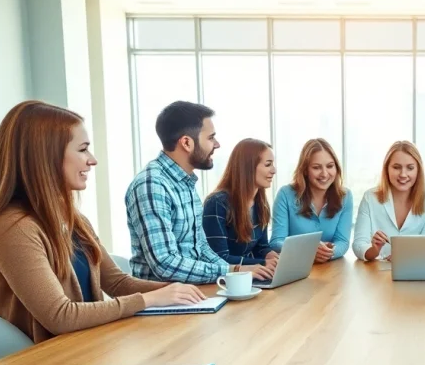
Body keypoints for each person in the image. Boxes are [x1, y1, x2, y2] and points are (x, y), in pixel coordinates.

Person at [0, 101, 206, 343]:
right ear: (46, 156)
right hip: (48, 364)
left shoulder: (74, 220)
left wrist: (176, 290)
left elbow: (118, 283)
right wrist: (149, 300)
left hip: (90, 346)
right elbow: (60, 316)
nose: (92, 160)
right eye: (82, 149)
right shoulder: (12, 228)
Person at [125, 101, 270, 284]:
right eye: (211, 138)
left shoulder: (186, 183)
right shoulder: (152, 185)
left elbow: (201, 248)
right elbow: (165, 264)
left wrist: (235, 273)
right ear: (186, 142)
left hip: (193, 293)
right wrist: (230, 270)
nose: (217, 144)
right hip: (163, 301)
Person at [203, 138, 280, 279]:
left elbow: (261, 247)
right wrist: (263, 263)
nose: (274, 170)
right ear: (248, 167)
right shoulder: (217, 203)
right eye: (268, 164)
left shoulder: (260, 203)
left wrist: (270, 256)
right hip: (228, 280)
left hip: (250, 277)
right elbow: (219, 258)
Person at [270, 138, 353, 264]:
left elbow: (342, 241)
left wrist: (328, 253)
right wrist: (308, 250)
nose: (324, 174)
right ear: (305, 170)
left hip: (330, 270)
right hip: (294, 269)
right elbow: (276, 242)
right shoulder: (285, 194)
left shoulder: (345, 196)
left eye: (330, 166)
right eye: (316, 167)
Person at [353, 141, 425, 261]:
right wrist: (374, 250)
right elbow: (358, 244)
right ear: (387, 169)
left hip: (414, 270)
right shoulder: (370, 198)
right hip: (376, 272)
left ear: (418, 170)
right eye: (396, 167)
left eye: (410, 168)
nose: (403, 174)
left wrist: (407, 256)